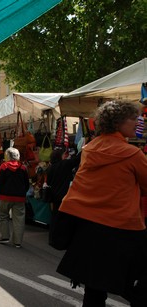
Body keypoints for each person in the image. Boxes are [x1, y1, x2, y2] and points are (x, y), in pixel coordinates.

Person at [55, 100, 147, 306]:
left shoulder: (90, 149)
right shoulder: (132, 154)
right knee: (130, 279)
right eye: (133, 118)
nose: (137, 122)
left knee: (94, 288)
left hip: (88, 228)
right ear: (118, 122)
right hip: (122, 227)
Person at [0, 147, 29, 248]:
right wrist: (22, 192)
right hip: (19, 198)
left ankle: (5, 237)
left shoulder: (4, 166)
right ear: (18, 156)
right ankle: (17, 242)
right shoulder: (23, 167)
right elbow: (27, 184)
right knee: (19, 219)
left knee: (4, 216)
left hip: (5, 197)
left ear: (7, 156)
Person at [46, 148, 81, 245]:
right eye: (64, 154)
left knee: (55, 217)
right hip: (64, 195)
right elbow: (77, 159)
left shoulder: (51, 168)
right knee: (63, 219)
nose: (65, 156)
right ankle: (61, 239)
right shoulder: (64, 164)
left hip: (54, 196)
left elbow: (48, 182)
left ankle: (53, 238)